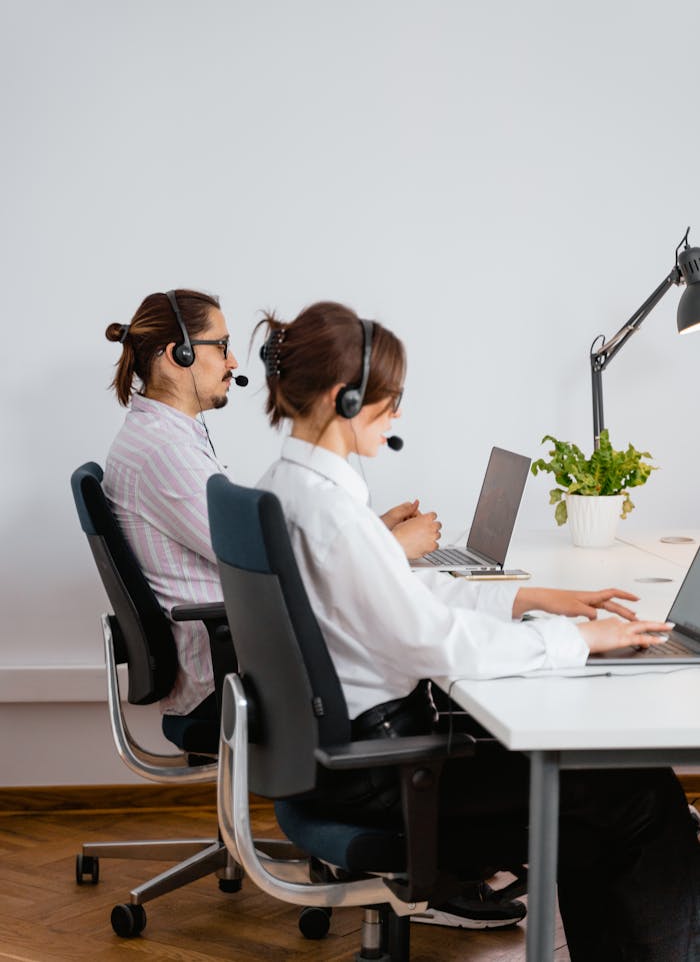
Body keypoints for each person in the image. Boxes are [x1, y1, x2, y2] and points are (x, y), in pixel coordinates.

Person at [255, 300, 700, 961]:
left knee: (601, 794)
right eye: (389, 399)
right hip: (387, 774)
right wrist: (580, 639)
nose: (398, 414)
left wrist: (530, 599)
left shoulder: (286, 488)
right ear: (343, 399)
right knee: (637, 791)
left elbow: (399, 594)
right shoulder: (333, 514)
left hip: (341, 758)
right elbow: (432, 641)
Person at [100, 288, 528, 930]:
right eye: (217, 345)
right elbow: (263, 561)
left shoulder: (172, 436)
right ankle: (434, 865)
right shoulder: (164, 452)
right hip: (227, 671)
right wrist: (383, 543)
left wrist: (366, 534)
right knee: (424, 680)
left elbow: (271, 549)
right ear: (176, 355)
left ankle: (441, 862)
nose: (230, 361)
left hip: (239, 656)